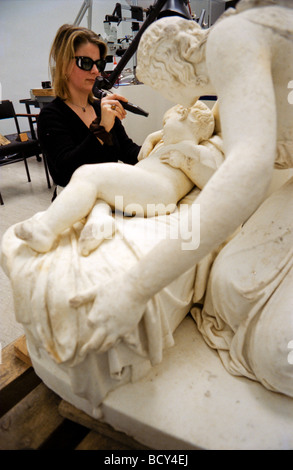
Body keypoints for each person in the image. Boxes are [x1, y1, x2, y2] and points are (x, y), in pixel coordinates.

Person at [61, 0, 292, 397]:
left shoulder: (235, 41)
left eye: (168, 96)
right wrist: (142, 144)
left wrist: (135, 289)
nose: (175, 106)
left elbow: (242, 173)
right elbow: (134, 156)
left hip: (177, 191)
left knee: (273, 351)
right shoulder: (200, 109)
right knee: (229, 288)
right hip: (154, 184)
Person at [15, 101, 224, 255]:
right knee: (98, 196)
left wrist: (186, 163)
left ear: (184, 114)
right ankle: (100, 222)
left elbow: (212, 182)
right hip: (146, 185)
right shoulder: (164, 145)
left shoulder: (197, 150)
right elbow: (141, 157)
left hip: (159, 191)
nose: (162, 129)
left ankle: (45, 230)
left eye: (165, 122)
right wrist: (152, 138)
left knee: (88, 173)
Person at [37, 24, 140, 189]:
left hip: (109, 197)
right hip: (76, 204)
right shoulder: (51, 116)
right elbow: (66, 173)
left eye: (98, 64)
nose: (95, 71)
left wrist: (157, 148)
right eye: (85, 62)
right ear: (64, 64)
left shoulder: (101, 108)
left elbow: (128, 151)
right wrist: (102, 129)